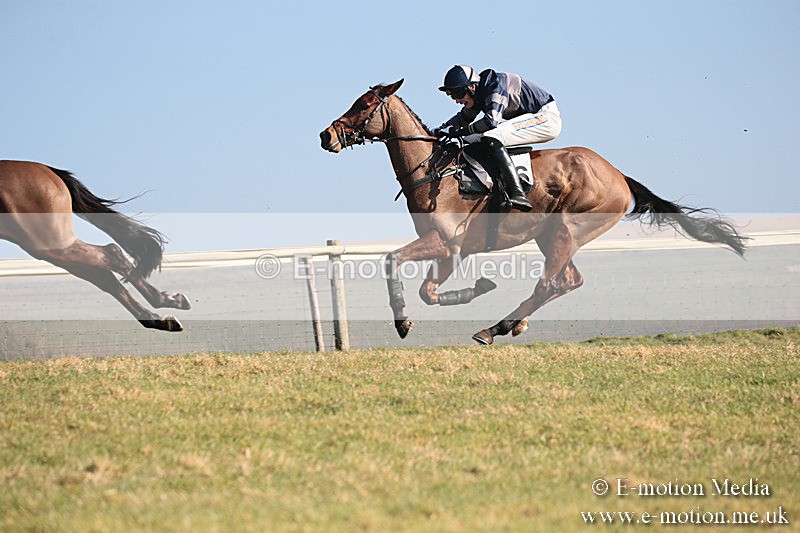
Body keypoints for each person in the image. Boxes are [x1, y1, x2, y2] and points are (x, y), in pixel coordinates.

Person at [434, 65, 562, 212]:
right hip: (530, 118)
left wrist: (459, 132)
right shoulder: (479, 94)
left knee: (491, 135)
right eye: (452, 96)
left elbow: (490, 122)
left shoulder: (495, 84)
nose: (457, 100)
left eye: (458, 94)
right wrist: (439, 130)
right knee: (469, 139)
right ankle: (496, 185)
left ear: (471, 87)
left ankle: (517, 192)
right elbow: (463, 118)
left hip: (546, 118)